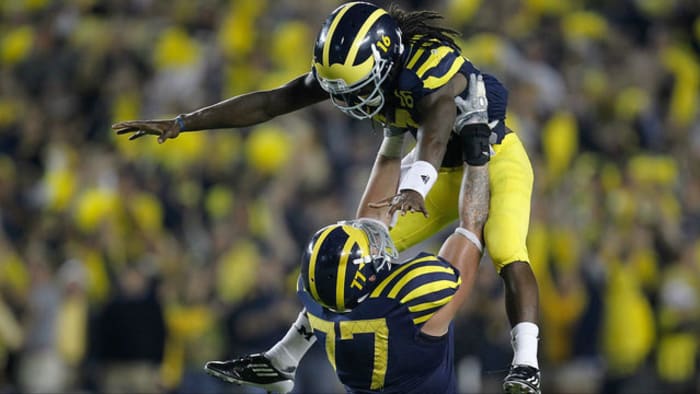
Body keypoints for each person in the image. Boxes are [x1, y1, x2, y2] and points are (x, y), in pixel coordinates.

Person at [113, 2, 540, 393]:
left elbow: (438, 125)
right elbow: (270, 103)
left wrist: (415, 185)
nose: (349, 102)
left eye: (356, 90)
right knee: (351, 249)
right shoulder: (373, 68)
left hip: (492, 157)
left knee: (505, 248)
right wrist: (186, 122)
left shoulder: (428, 68)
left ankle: (526, 363)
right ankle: (283, 360)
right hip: (441, 170)